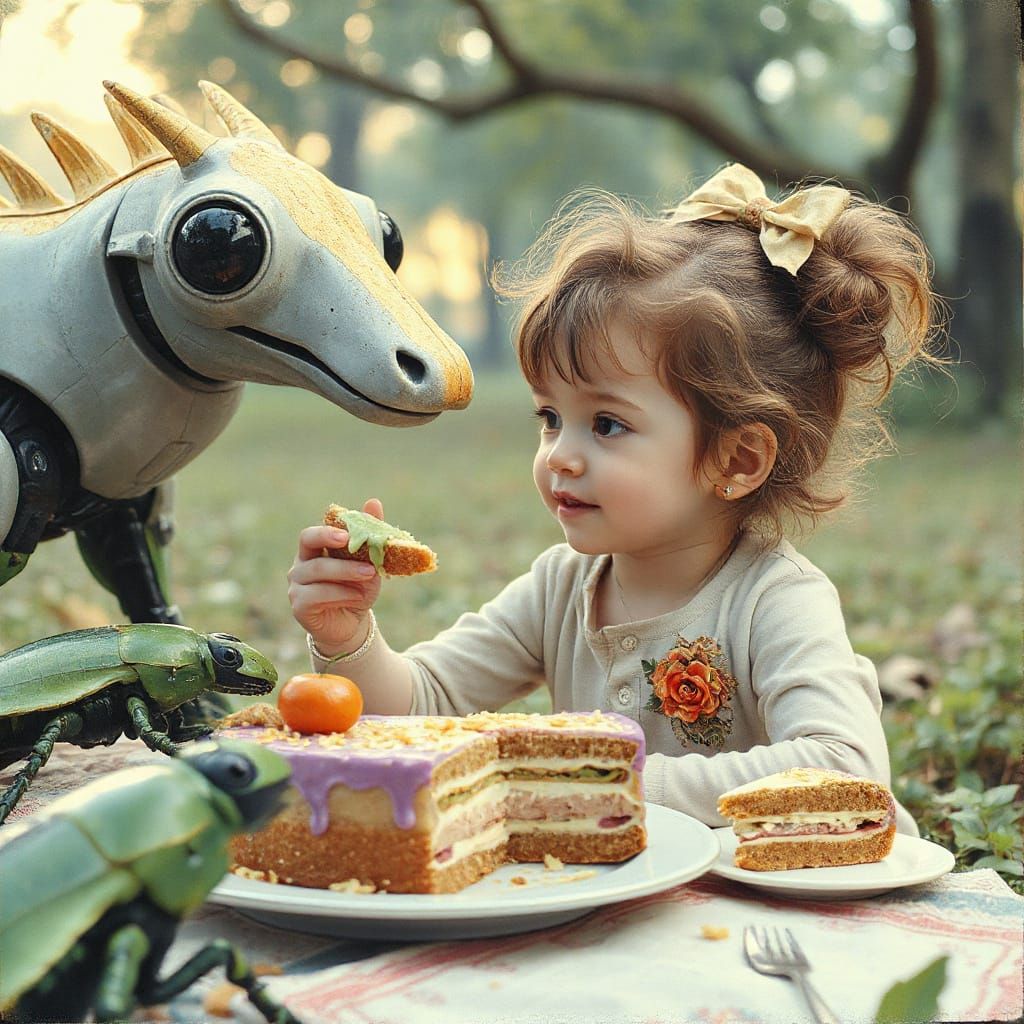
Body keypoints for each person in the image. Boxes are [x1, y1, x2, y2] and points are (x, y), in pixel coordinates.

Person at [287, 163, 937, 833]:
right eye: (549, 417)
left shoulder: (772, 601)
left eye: (607, 424)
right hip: (629, 904)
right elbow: (422, 706)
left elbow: (847, 770)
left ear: (737, 459)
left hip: (773, 900)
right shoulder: (560, 589)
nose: (560, 454)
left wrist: (615, 780)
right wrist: (349, 640)